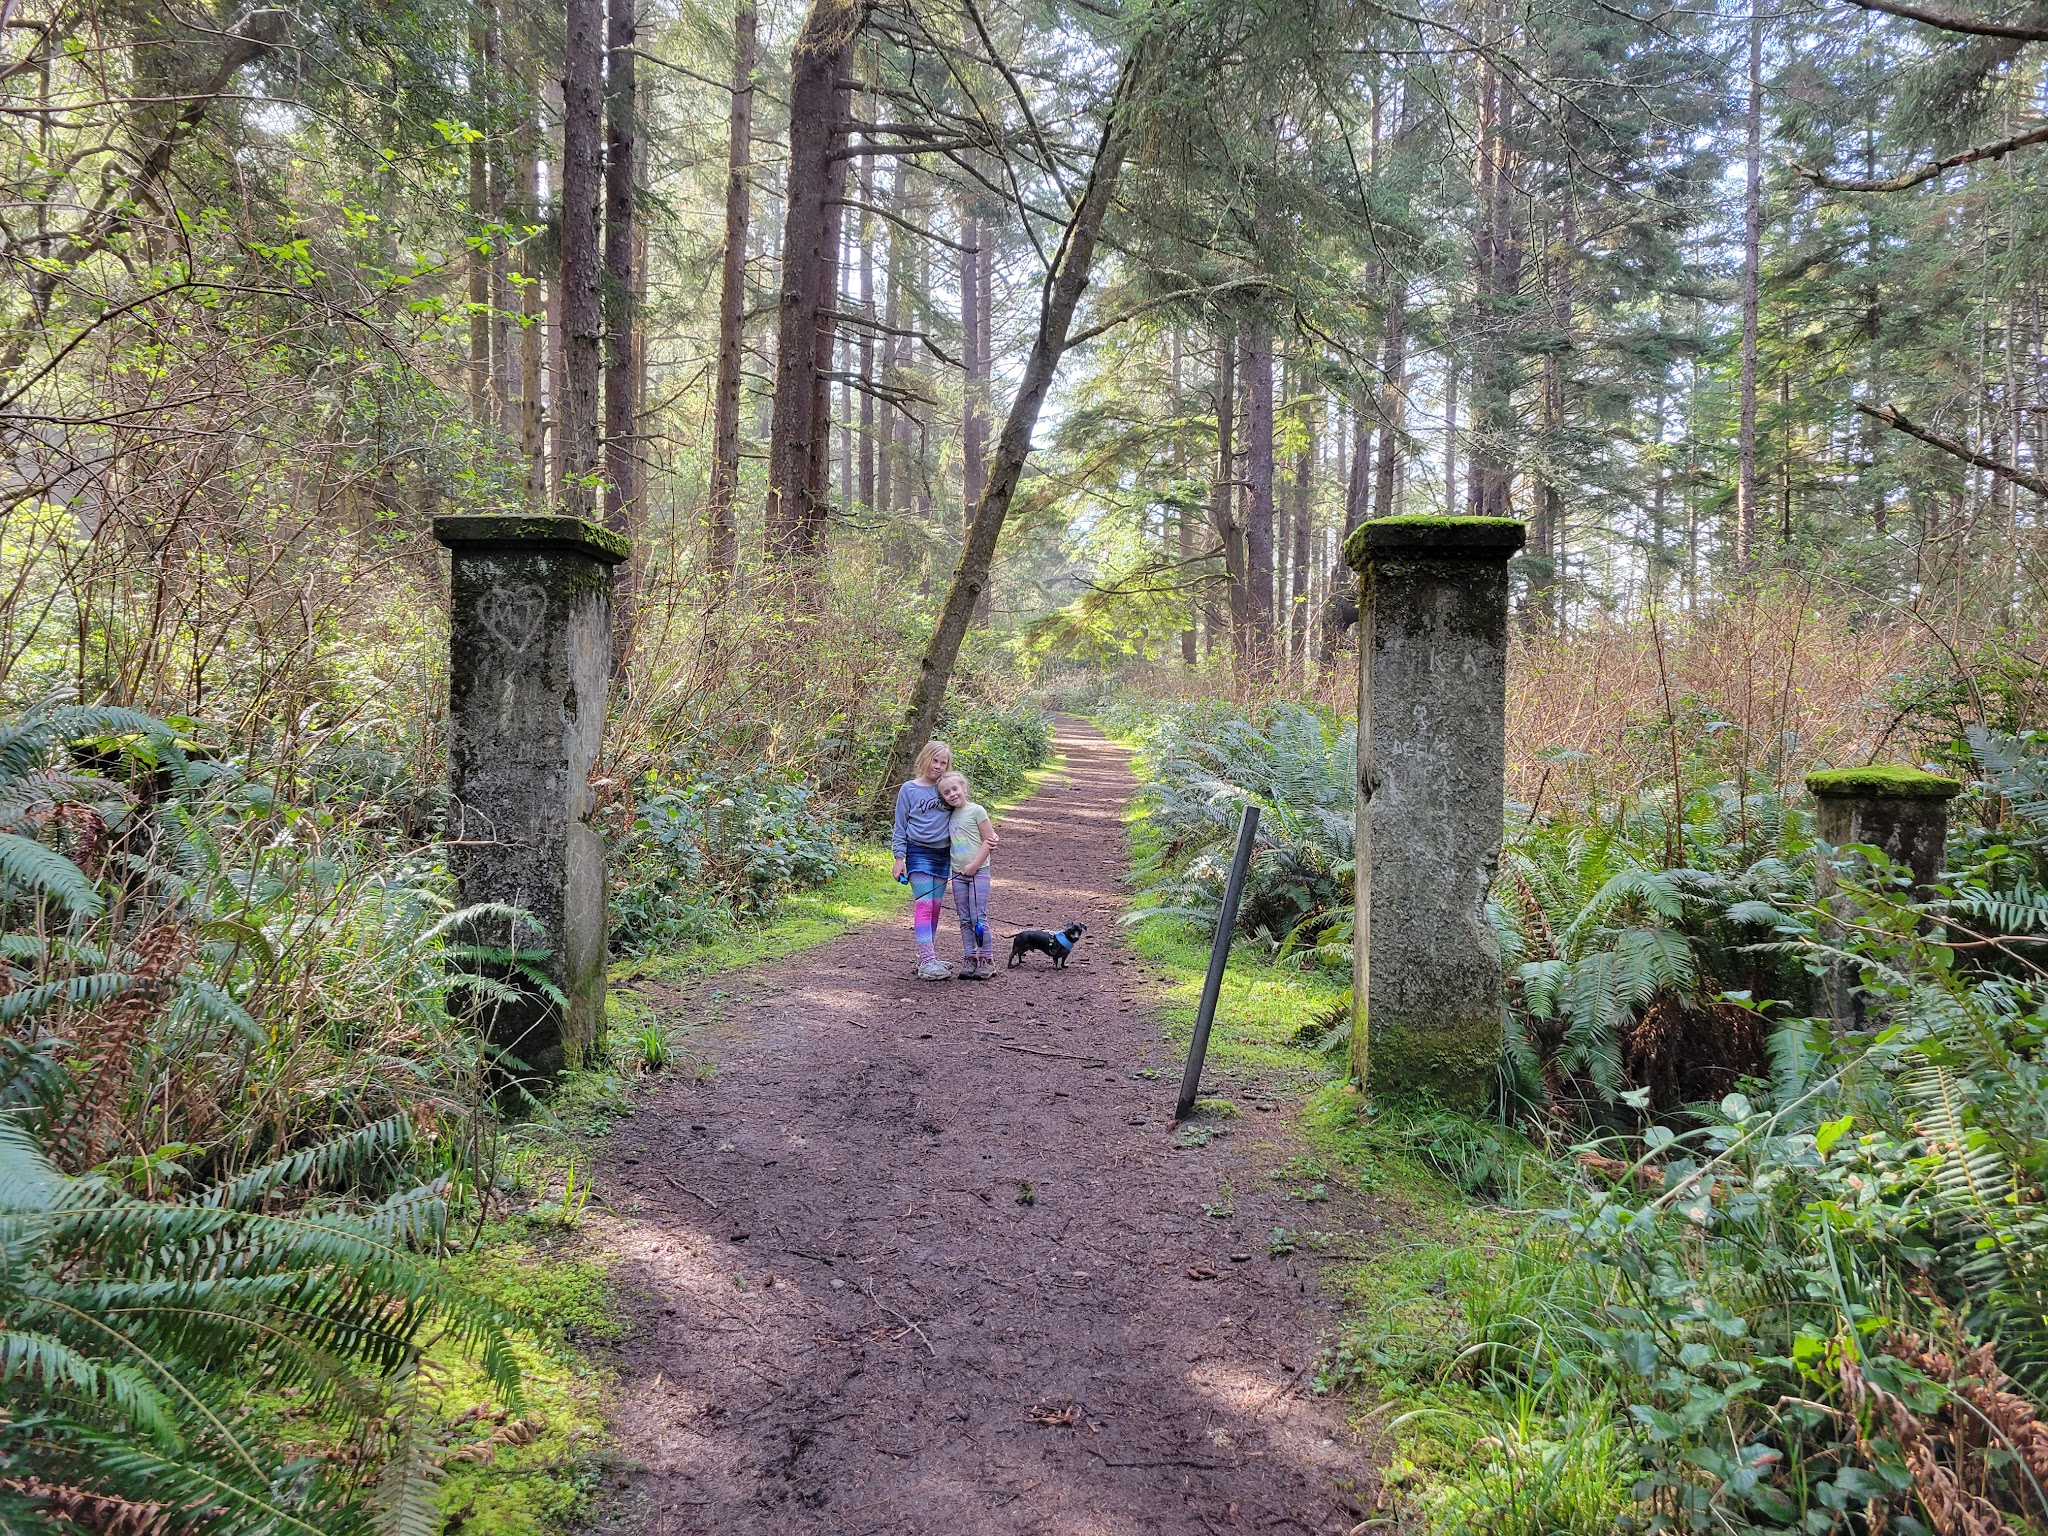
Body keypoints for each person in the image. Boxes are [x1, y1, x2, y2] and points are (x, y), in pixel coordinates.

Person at [892, 739, 957, 980]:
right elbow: (900, 826)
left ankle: (928, 956)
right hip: (918, 853)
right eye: (935, 760)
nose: (938, 766)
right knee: (924, 904)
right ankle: (928, 961)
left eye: (943, 763)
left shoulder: (946, 788)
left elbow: (964, 812)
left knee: (936, 908)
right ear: (924, 759)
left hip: (943, 855)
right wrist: (899, 858)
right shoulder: (909, 789)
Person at [938, 769, 998, 979]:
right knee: (964, 918)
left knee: (978, 917)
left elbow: (989, 841)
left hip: (979, 871)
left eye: (955, 788)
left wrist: (974, 865)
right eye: (947, 792)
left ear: (964, 788)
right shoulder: (949, 815)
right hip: (958, 874)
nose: (952, 794)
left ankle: (986, 959)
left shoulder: (977, 810)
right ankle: (969, 957)